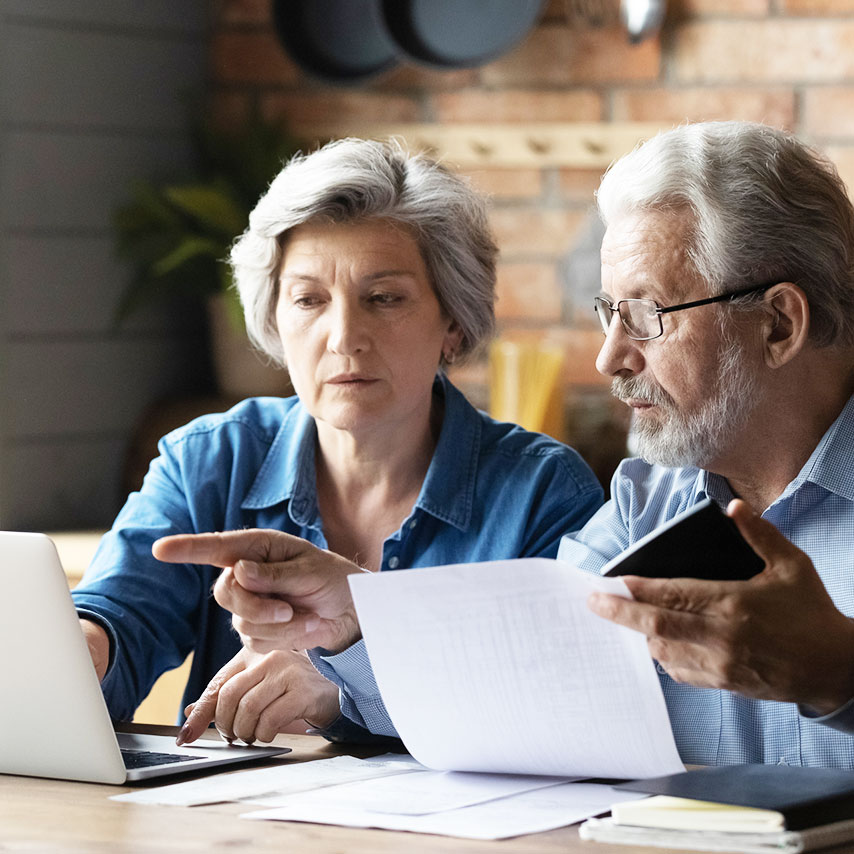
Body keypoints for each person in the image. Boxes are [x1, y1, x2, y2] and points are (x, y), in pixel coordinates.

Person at [158, 121, 854, 767]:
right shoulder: (652, 500)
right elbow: (527, 675)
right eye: (610, 313)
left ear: (777, 325)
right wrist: (356, 617)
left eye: (645, 315)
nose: (610, 357)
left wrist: (839, 674)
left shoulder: (556, 484)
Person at [73, 138, 603, 746]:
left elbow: (558, 704)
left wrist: (346, 688)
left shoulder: (542, 492)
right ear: (275, 318)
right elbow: (122, 615)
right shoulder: (210, 461)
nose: (344, 336)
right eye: (308, 300)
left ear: (453, 322)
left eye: (384, 298)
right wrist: (85, 650)